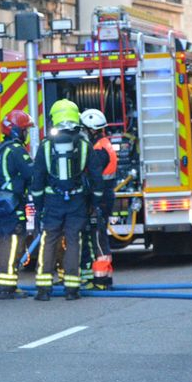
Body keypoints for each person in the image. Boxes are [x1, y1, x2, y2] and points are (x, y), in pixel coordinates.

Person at [31, 99, 104, 301]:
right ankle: (72, 288)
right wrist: (95, 203)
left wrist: (39, 206)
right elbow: (96, 177)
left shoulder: (46, 146)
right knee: (74, 241)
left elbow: (37, 178)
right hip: (76, 201)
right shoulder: (84, 144)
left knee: (49, 241)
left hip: (52, 202)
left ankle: (43, 289)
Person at [0, 110, 35, 299]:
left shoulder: (0, 148)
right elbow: (30, 173)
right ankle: (8, 287)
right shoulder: (17, 150)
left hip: (0, 204)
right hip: (12, 204)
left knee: (4, 242)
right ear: (16, 130)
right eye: (25, 130)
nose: (26, 134)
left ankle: (1, 281)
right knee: (14, 242)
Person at [79, 108, 117, 290]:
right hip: (105, 196)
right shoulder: (102, 144)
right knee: (99, 237)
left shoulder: (98, 150)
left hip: (100, 199)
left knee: (97, 238)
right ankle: (104, 278)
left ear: (91, 129)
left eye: (83, 129)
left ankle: (101, 280)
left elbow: (92, 175)